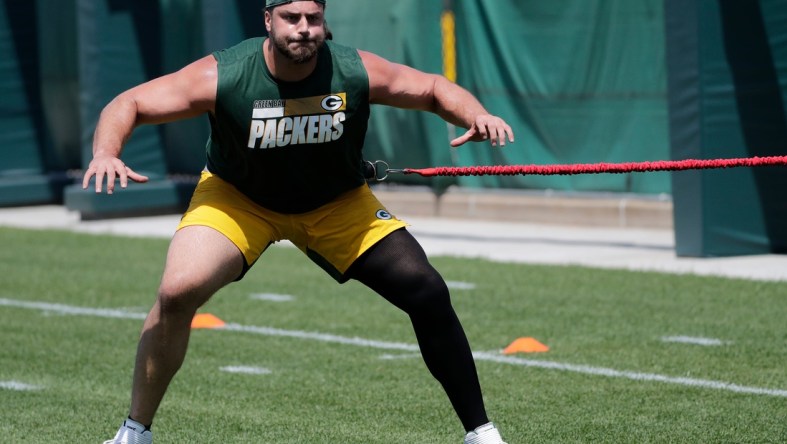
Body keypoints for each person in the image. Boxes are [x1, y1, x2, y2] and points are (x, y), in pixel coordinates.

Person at [88, 1, 514, 443]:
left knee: (426, 289)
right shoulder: (225, 74)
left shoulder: (353, 69)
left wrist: (475, 114)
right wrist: (106, 152)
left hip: (335, 204)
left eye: (313, 18)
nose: (304, 29)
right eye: (292, 18)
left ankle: (480, 432)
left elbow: (431, 87)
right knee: (177, 292)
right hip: (239, 200)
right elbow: (130, 101)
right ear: (268, 20)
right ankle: (134, 432)